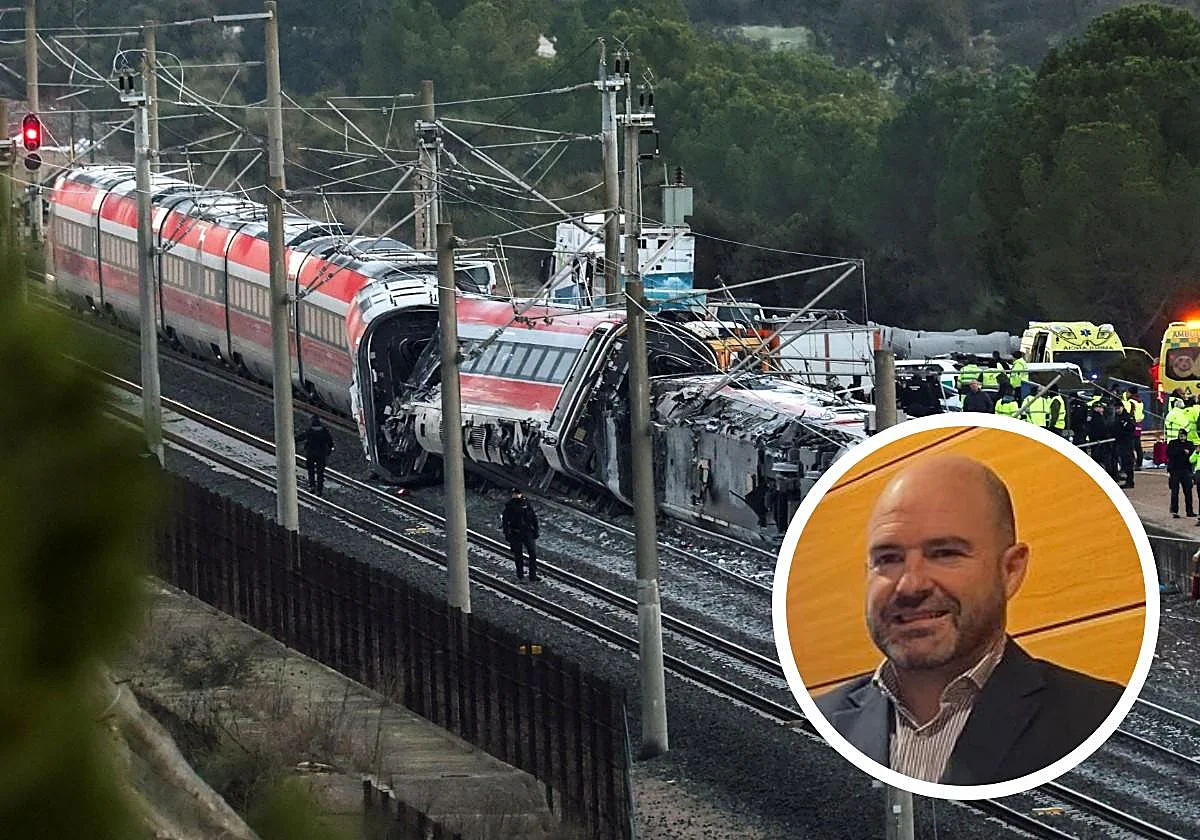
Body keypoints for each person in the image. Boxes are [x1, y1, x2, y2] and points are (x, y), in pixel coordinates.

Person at [815, 455, 1124, 785]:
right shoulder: (819, 720)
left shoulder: (1101, 719)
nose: (910, 585)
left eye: (945, 553)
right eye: (888, 559)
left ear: (1010, 570)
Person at [502, 488, 540, 581]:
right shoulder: (510, 505)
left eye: (517, 493)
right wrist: (507, 534)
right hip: (516, 533)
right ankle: (520, 575)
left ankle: (532, 575)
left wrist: (536, 530)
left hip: (527, 532)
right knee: (518, 556)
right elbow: (505, 521)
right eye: (514, 494)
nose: (516, 495)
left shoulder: (526, 504)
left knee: (533, 554)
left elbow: (534, 518)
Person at [295, 414, 335, 496]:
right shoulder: (324, 431)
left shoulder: (309, 431)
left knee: (311, 471)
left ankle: (312, 486)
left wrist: (294, 439)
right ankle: (319, 490)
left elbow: (301, 437)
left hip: (310, 453)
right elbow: (330, 442)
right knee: (320, 472)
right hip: (321, 454)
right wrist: (329, 451)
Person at [1166, 428, 1196, 519]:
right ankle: (1174, 511)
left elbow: (1192, 455)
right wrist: (1182, 451)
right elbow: (1170, 453)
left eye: (1183, 435)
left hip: (1186, 470)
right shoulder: (1173, 443)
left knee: (1188, 491)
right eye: (1180, 435)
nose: (1182, 437)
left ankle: (1189, 511)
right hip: (1175, 470)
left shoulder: (1190, 444)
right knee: (1174, 492)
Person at [1112, 401, 1136, 489]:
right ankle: (1127, 480)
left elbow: (1130, 428)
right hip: (1120, 443)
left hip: (1127, 443)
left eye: (1119, 408)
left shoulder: (1127, 417)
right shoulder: (1116, 417)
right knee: (1123, 461)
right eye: (1116, 409)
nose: (1117, 410)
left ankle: (1130, 481)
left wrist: (1122, 431)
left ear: (1122, 407)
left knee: (1128, 461)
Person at [1125, 387, 1145, 470]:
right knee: (1138, 446)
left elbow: (1127, 412)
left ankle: (1132, 463)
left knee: (1130, 446)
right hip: (1139, 424)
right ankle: (1139, 463)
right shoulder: (1140, 401)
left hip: (1132, 424)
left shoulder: (1130, 402)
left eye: (1127, 392)